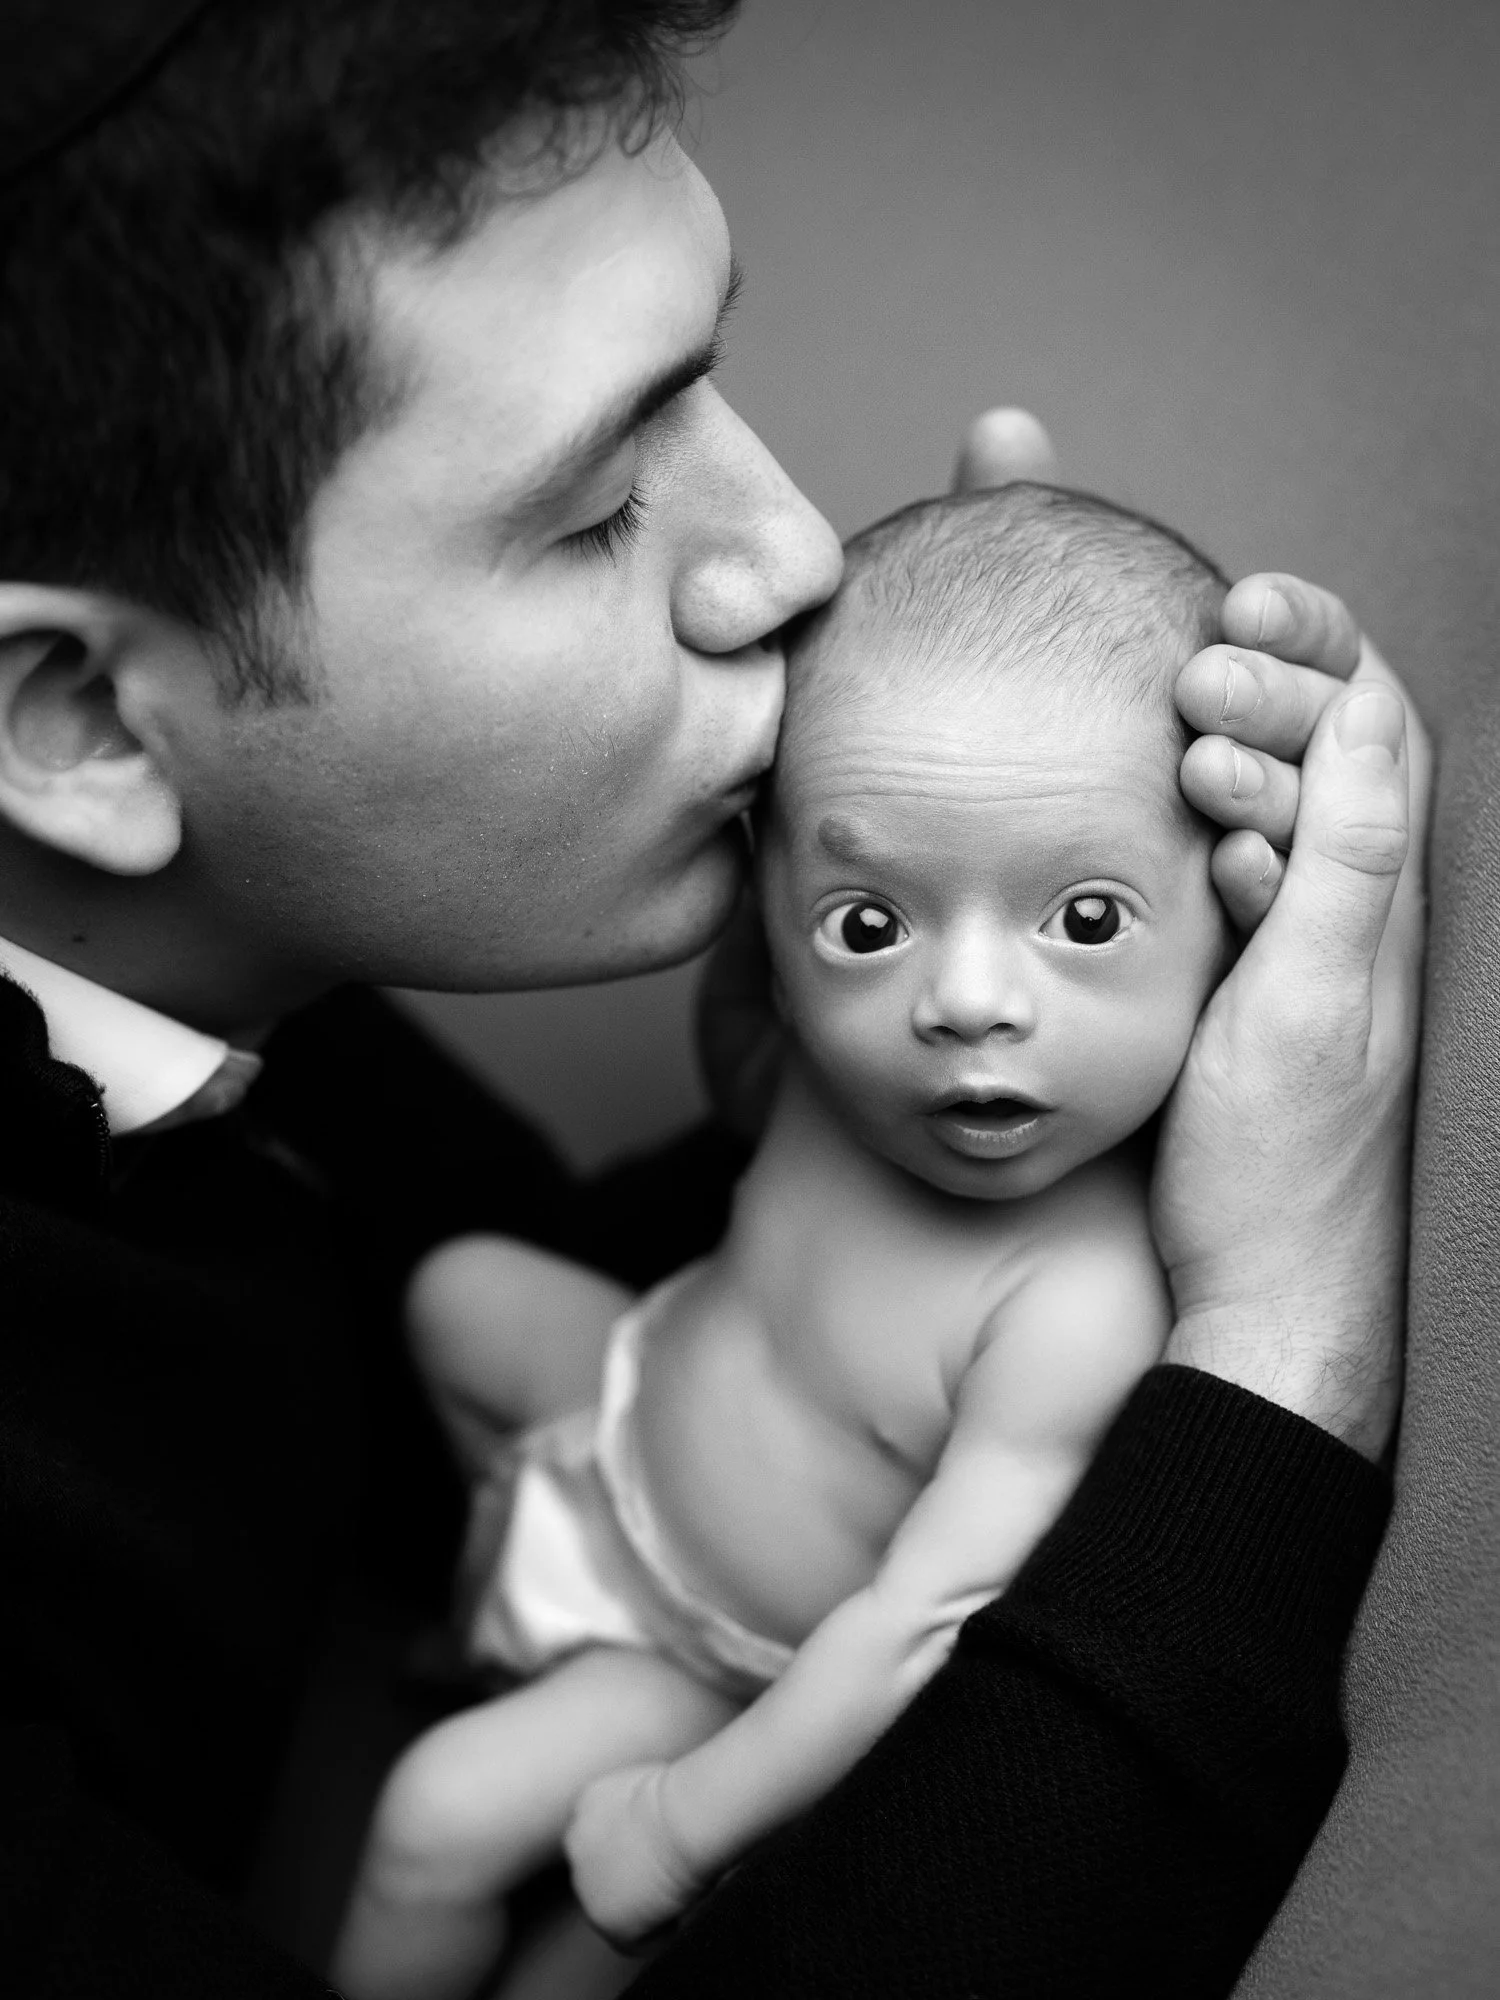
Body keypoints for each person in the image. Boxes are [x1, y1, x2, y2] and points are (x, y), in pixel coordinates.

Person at [0, 4, 1423, 1997]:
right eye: (597, 506)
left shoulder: (210, 998)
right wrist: (1278, 1348)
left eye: (709, 380)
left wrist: (837, 1070)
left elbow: (402, 1337)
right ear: (77, 723)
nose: (793, 558)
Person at [333, 482, 1244, 1997]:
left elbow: (923, 1622)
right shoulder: (853, 1065)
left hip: (716, 1649)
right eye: (870, 923)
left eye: (1085, 921)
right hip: (621, 1402)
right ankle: (491, 1613)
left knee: (437, 1818)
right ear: (772, 905)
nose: (965, 1002)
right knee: (456, 1293)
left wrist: (679, 1829)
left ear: (1234, 919)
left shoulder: (1072, 1297)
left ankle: (583, 1732)